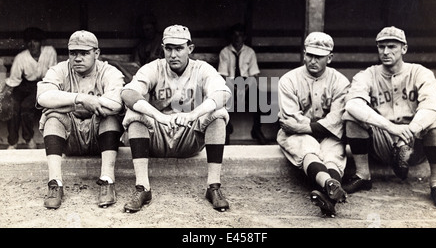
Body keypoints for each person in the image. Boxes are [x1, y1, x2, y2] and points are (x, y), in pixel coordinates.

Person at [121, 24, 232, 213]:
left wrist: (193, 115)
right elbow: (128, 93)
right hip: (158, 137)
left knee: (219, 114)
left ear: (190, 49)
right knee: (134, 114)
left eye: (179, 48)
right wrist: (158, 116)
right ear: (162, 48)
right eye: (169, 48)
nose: (173, 54)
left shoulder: (202, 69)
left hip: (188, 136)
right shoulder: (154, 68)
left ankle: (214, 186)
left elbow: (223, 93)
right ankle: (143, 188)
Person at [343, 26, 436, 209]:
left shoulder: (420, 72)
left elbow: (433, 106)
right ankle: (363, 176)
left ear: (404, 49)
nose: (385, 52)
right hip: (382, 140)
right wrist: (391, 128)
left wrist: (411, 129)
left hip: (415, 141)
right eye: (381, 47)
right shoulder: (368, 74)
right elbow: (353, 104)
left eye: (392, 46)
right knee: (351, 117)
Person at [36, 30, 125, 209]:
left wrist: (65, 103)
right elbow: (42, 97)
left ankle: (107, 180)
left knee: (110, 116)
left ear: (96, 53)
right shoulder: (59, 69)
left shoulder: (109, 71)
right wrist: (82, 99)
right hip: (70, 138)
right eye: (73, 53)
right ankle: (55, 183)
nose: (77, 58)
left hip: (99, 138)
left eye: (84, 53)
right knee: (52, 116)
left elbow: (115, 103)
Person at [277, 32, 350, 217]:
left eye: (319, 56)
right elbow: (291, 119)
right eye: (309, 55)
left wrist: (306, 126)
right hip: (296, 134)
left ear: (330, 58)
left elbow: (336, 119)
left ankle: (329, 193)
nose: (313, 60)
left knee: (333, 155)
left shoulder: (340, 81)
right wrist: (311, 127)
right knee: (307, 149)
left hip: (328, 133)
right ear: (304, 53)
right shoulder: (289, 79)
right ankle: (329, 185)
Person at [3, 27, 57, 149]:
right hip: (24, 84)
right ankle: (13, 142)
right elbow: (13, 80)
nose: (32, 44)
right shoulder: (21, 57)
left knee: (26, 106)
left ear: (41, 42)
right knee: (12, 106)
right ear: (26, 43)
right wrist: (3, 95)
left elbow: (53, 73)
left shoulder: (49, 51)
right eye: (29, 41)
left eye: (36, 41)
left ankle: (28, 138)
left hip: (43, 84)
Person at [218, 23, 267, 145]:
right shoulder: (225, 52)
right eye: (234, 35)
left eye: (240, 35)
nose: (237, 38)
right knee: (222, 99)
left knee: (259, 98)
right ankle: (227, 129)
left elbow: (254, 75)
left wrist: (245, 88)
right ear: (231, 37)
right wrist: (233, 88)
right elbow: (223, 75)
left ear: (244, 37)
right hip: (230, 83)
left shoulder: (250, 52)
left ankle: (257, 129)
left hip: (246, 83)